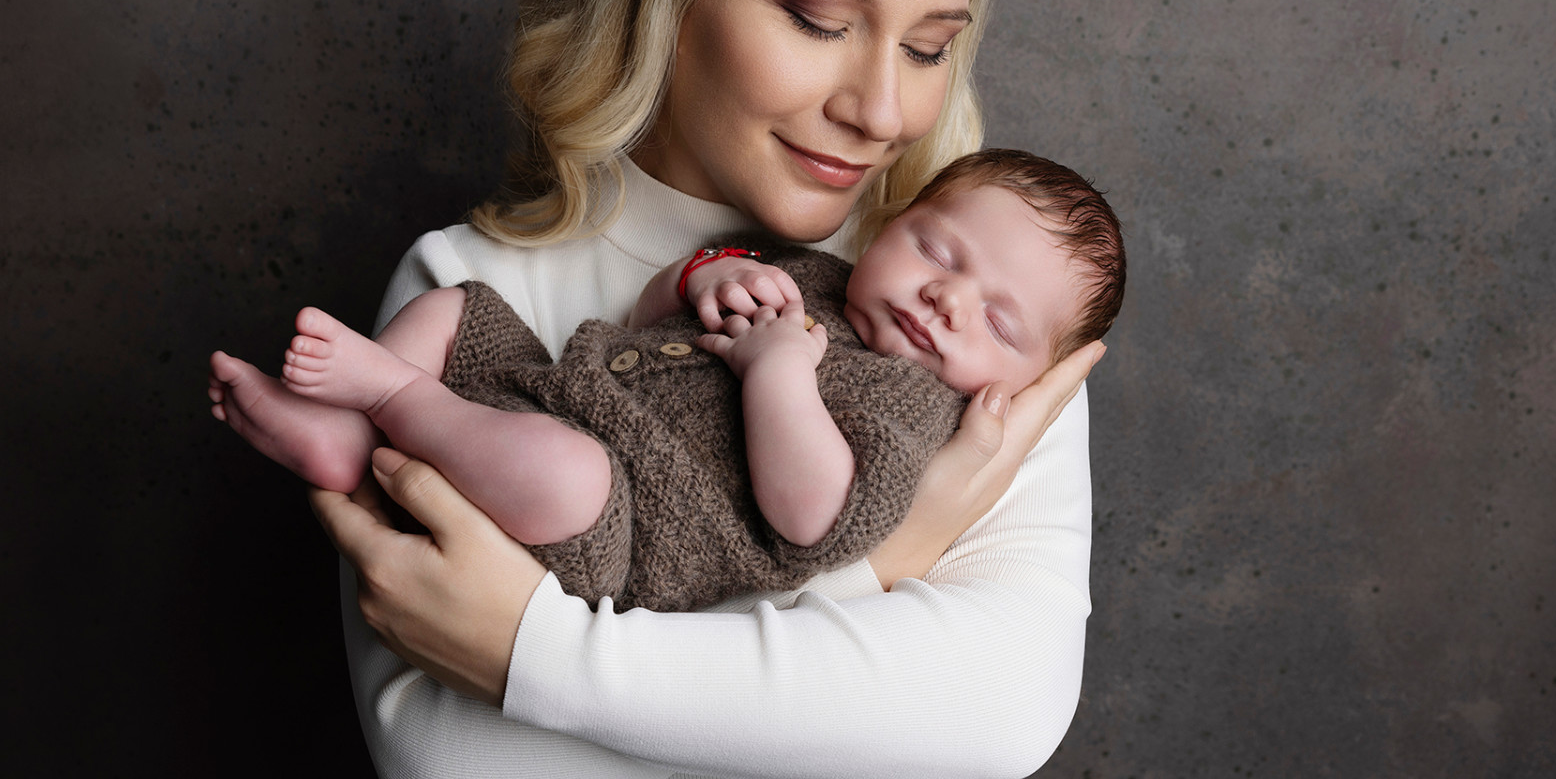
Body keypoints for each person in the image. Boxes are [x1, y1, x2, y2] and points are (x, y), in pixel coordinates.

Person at [304, 0, 1108, 779]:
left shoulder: (968, 311)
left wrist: (542, 655)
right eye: (821, 22)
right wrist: (883, 564)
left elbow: (1001, 706)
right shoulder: (469, 294)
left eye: (932, 46)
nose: (883, 108)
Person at [210, 149, 1125, 612]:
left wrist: (777, 375)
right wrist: (707, 276)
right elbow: (653, 314)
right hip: (548, 391)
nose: (947, 298)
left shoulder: (917, 415)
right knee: (461, 305)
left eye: (998, 322)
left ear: (1027, 377)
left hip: (621, 525)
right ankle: (353, 438)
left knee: (567, 473)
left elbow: (812, 516)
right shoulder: (814, 277)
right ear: (892, 223)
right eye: (936, 249)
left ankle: (388, 401)